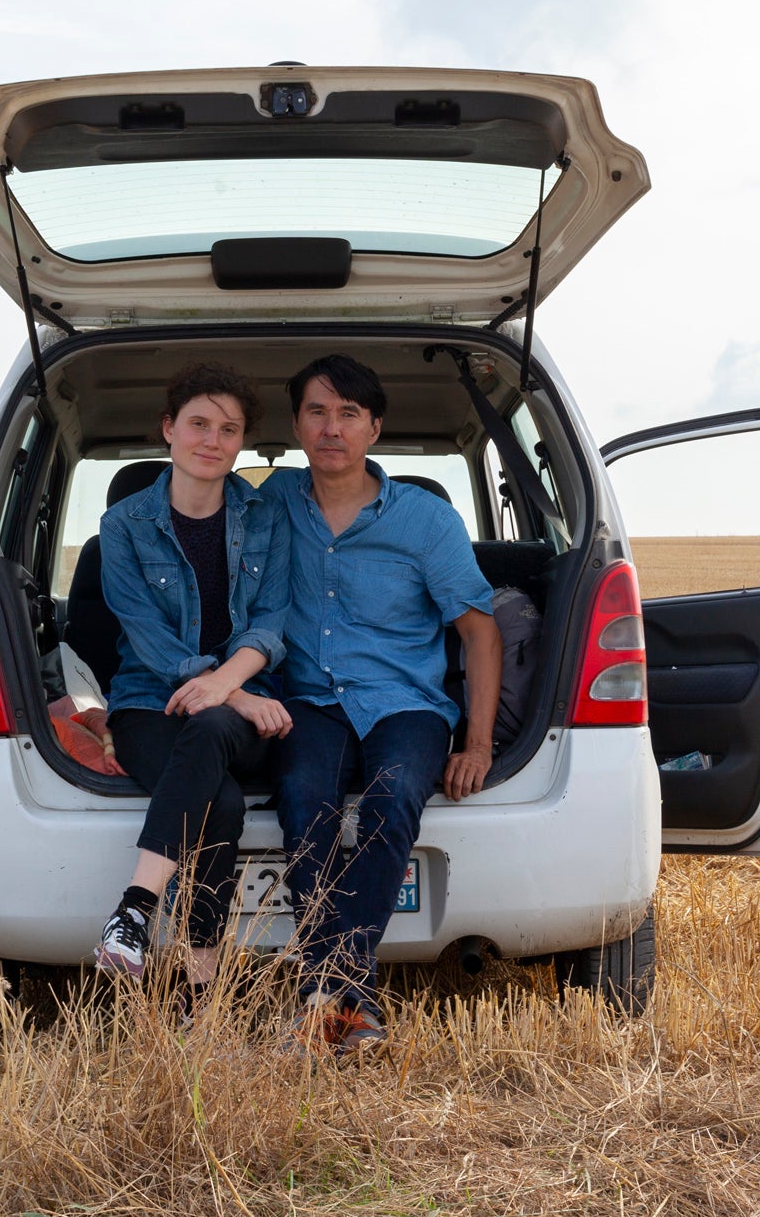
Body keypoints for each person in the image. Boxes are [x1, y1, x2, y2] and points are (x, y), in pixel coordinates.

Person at [271, 354, 502, 1054]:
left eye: (348, 414)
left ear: (374, 426)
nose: (331, 427)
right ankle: (351, 996)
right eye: (317, 411)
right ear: (297, 424)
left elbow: (479, 630)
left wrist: (480, 742)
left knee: (396, 795)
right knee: (301, 791)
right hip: (308, 698)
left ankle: (330, 988)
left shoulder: (426, 521)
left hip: (406, 702)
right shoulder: (272, 503)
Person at [93, 362, 294, 1006]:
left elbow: (270, 621)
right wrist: (231, 692)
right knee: (223, 806)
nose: (212, 440)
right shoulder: (124, 525)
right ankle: (201, 994)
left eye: (228, 429)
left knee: (210, 726)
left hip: (234, 708)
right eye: (198, 424)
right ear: (169, 430)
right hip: (149, 700)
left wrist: (227, 689)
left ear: (241, 443)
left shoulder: (265, 517)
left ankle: (133, 909)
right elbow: (147, 637)